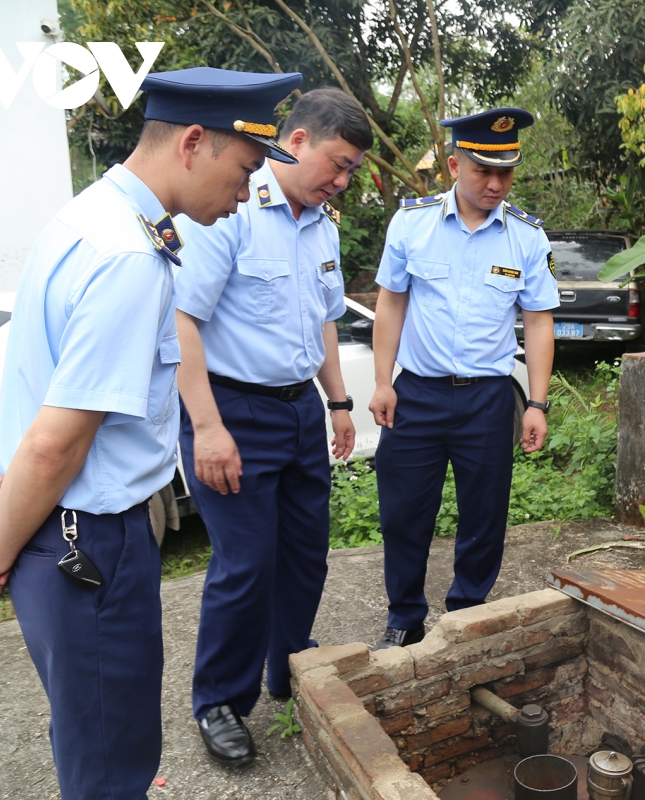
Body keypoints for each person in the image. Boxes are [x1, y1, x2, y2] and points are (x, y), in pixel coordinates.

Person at [0, 68, 301, 799]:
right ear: (194, 143)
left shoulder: (83, 218)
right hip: (89, 547)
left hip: (50, 535)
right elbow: (55, 443)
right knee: (111, 762)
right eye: (245, 168)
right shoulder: (130, 258)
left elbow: (31, 374)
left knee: (86, 731)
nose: (245, 193)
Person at [173, 87, 373, 766]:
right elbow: (181, 323)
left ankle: (289, 663)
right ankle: (220, 702)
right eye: (338, 164)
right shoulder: (230, 209)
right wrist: (207, 427)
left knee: (304, 554)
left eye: (350, 172)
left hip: (296, 411)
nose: (342, 181)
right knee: (245, 563)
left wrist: (338, 402)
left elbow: (322, 317)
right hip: (231, 411)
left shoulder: (322, 223)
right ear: (295, 141)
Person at [368, 108, 559, 650]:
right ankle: (404, 617)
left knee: (484, 516)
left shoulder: (524, 237)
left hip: (488, 399)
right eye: (482, 171)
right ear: (454, 165)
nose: (496, 184)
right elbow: (390, 304)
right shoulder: (412, 223)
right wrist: (383, 381)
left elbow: (539, 321)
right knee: (403, 514)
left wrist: (537, 403)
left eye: (506, 173)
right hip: (418, 396)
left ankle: (465, 614)